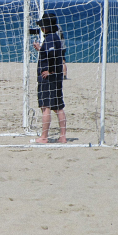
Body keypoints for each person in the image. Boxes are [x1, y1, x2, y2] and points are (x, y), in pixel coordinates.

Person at [32, 12, 67, 144]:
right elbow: (52, 53)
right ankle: (63, 136)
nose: (41, 28)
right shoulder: (55, 37)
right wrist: (41, 49)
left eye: (42, 26)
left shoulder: (51, 38)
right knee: (58, 107)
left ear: (46, 27)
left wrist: (50, 71)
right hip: (57, 77)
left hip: (49, 78)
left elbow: (52, 55)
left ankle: (44, 137)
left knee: (45, 106)